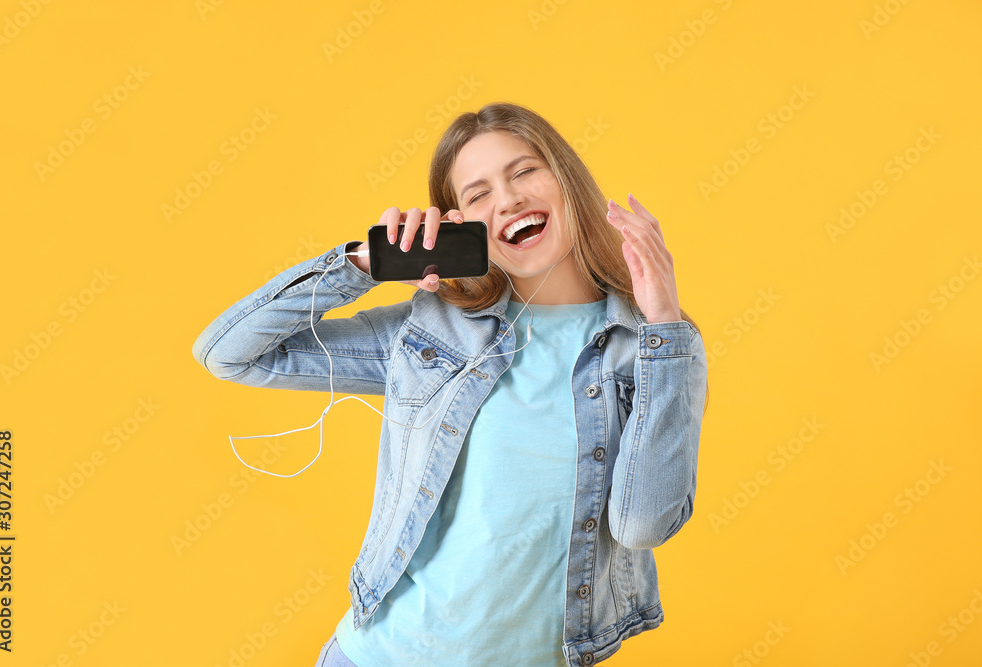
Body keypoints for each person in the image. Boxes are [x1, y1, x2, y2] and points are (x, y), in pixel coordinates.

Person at [192, 101, 709, 667]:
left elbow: (643, 525)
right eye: (477, 194)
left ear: (567, 182)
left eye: (524, 171)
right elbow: (230, 354)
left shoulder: (652, 348)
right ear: (458, 224)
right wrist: (363, 266)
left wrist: (665, 327)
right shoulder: (433, 332)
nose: (507, 199)